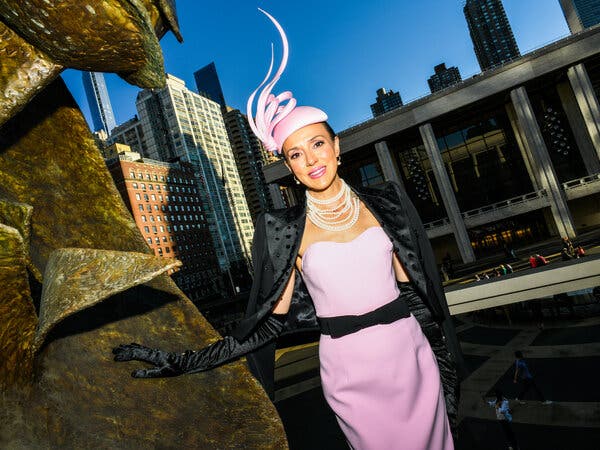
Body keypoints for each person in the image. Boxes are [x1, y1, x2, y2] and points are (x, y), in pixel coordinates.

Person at [113, 10, 461, 449]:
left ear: (336, 147)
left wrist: (447, 377)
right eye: (296, 154)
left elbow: (419, 293)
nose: (312, 160)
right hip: (350, 374)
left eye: (318, 144)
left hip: (411, 357)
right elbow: (264, 325)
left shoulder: (386, 203)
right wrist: (180, 361)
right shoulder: (282, 230)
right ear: (290, 167)